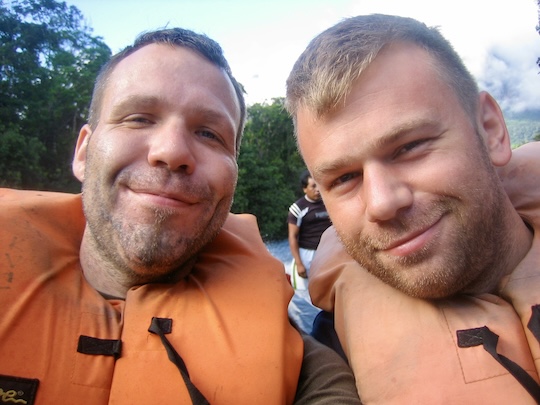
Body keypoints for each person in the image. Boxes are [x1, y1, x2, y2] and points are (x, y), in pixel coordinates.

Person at [0, 28, 362, 405]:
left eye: (208, 134)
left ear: (234, 175)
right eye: (139, 118)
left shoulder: (299, 364)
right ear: (83, 152)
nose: (172, 151)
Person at [285, 13, 540, 404]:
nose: (382, 203)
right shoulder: (324, 363)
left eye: (409, 147)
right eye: (344, 178)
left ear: (490, 130)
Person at [286, 170, 331, 333]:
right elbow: (292, 236)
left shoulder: (328, 202)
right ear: (305, 189)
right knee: (304, 295)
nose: (317, 189)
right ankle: (307, 332)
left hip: (328, 252)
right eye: (313, 186)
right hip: (306, 254)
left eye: (318, 185)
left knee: (329, 289)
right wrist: (299, 263)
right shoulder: (298, 208)